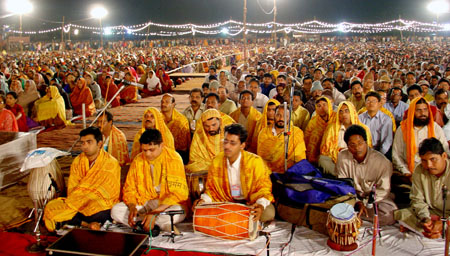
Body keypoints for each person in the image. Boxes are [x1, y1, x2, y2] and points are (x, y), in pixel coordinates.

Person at [193, 123, 275, 223]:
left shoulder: (255, 162)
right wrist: (204, 201)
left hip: (250, 202)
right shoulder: (217, 161)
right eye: (225, 141)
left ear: (242, 145)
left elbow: (263, 188)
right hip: (226, 202)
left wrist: (260, 205)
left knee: (268, 213)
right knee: (200, 211)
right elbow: (212, 190)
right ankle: (238, 219)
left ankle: (235, 219)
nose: (227, 146)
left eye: (232, 143)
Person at [43, 127, 121, 232]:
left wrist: (88, 199)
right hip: (77, 202)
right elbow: (72, 188)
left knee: (102, 212)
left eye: (89, 142)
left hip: (99, 204)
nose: (85, 145)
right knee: (51, 207)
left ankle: (78, 221)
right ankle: (86, 224)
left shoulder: (111, 163)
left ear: (99, 144)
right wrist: (80, 201)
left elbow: (110, 193)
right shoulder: (77, 161)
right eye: (82, 142)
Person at [111, 129, 188, 232]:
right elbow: (130, 189)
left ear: (161, 145)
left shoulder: (174, 158)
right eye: (144, 150)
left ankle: (143, 222)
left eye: (151, 150)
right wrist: (132, 207)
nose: (147, 154)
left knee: (179, 212)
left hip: (165, 203)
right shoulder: (138, 160)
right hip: (144, 201)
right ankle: (157, 224)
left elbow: (178, 193)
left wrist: (155, 212)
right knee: (116, 211)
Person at [336, 125, 397, 226]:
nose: (357, 148)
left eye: (360, 143)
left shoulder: (382, 162)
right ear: (347, 146)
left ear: (366, 142)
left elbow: (383, 191)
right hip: (351, 198)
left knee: (389, 215)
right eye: (352, 144)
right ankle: (358, 214)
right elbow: (344, 185)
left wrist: (364, 203)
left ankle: (354, 215)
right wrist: (356, 202)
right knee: (334, 203)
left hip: (374, 201)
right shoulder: (342, 157)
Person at [394, 138, 450, 238]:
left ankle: (436, 230)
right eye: (424, 160)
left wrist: (444, 223)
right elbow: (417, 199)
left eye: (433, 159)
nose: (428, 165)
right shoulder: (419, 170)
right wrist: (425, 219)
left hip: (448, 216)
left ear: (444, 156)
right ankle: (433, 231)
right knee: (402, 214)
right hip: (430, 212)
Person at [392, 97, 449, 176]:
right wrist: (406, 172)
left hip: (434, 172)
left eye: (425, 109)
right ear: (412, 112)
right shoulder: (402, 129)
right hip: (409, 172)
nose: (423, 113)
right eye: (418, 110)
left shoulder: (435, 128)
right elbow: (396, 155)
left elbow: (445, 150)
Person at [319, 101, 372, 176]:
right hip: (336, 160)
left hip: (356, 160)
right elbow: (325, 150)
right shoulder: (332, 129)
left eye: (347, 111)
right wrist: (339, 153)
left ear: (352, 112)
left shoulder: (363, 129)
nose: (344, 114)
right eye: (340, 112)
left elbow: (367, 149)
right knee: (323, 159)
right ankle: (342, 177)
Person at [257, 105, 306, 173]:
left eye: (285, 116)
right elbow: (262, 155)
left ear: (289, 118)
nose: (281, 118)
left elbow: (299, 158)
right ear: (274, 115)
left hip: (289, 172)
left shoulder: (296, 133)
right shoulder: (264, 132)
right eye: (278, 115)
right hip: (267, 172)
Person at [358, 91, 393, 155]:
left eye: (374, 101)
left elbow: (387, 141)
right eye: (368, 101)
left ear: (379, 103)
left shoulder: (386, 119)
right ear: (365, 103)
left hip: (380, 152)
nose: (371, 103)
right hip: (362, 151)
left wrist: (379, 155)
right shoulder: (359, 118)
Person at [160, 94, 191, 163]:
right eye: (162, 102)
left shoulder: (181, 120)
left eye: (167, 102)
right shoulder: (157, 117)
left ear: (173, 104)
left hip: (177, 151)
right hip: (160, 150)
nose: (163, 104)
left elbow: (185, 144)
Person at [305, 96, 333, 165]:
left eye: (324, 105)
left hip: (332, 154)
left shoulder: (336, 118)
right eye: (319, 106)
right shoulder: (313, 121)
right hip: (315, 153)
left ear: (329, 105)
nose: (322, 108)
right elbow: (307, 138)